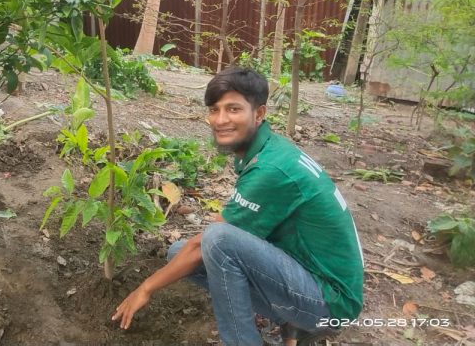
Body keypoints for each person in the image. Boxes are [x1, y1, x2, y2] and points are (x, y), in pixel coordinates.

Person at [112, 67, 364, 346]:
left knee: (217, 241)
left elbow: (213, 239)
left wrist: (145, 289)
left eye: (233, 109)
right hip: (311, 276)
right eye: (214, 109)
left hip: (331, 303)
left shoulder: (271, 168)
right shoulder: (267, 149)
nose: (220, 120)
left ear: (259, 113)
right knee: (179, 253)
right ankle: (291, 325)